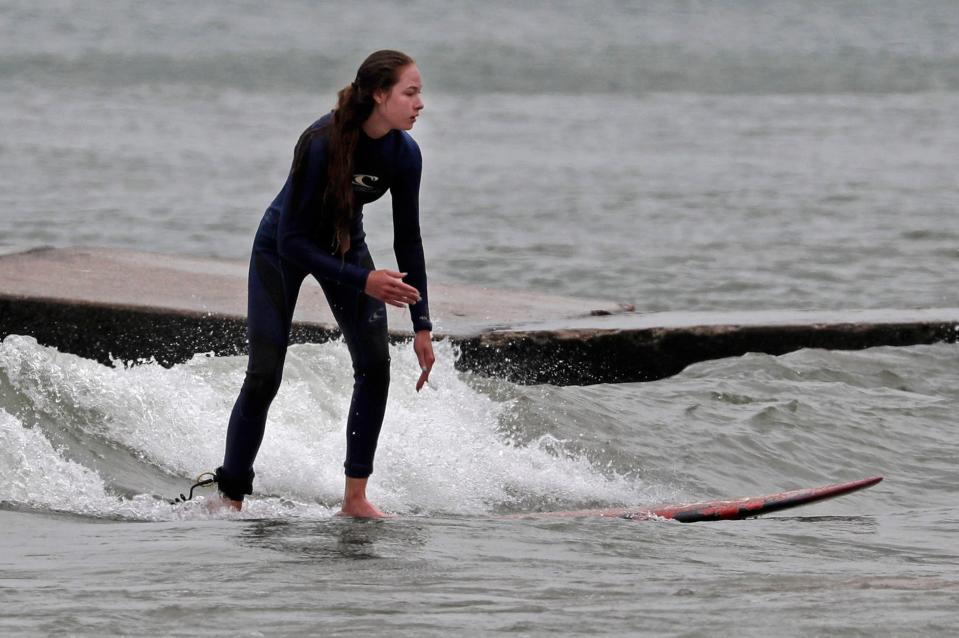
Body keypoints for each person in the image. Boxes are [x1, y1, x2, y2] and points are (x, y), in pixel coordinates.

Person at [211, 50, 434, 517]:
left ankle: (355, 499)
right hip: (281, 247)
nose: (420, 103)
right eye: (410, 92)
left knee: (375, 367)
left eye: (419, 93)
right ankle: (230, 496)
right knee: (264, 373)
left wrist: (422, 325)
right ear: (379, 94)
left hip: (345, 245)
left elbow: (409, 241)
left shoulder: (404, 154)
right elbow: (292, 241)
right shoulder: (321, 141)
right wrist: (365, 280)